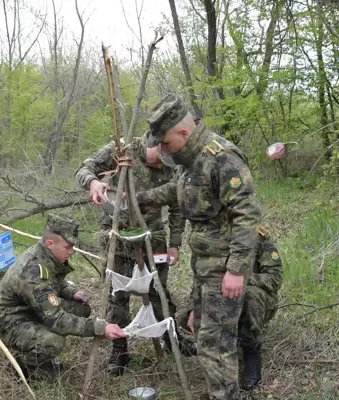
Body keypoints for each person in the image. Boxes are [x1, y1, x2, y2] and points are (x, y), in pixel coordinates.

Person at [137, 95, 264, 400]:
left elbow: (247, 215)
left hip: (223, 268)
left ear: (183, 133)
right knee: (202, 330)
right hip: (204, 266)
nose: (162, 150)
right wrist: (140, 198)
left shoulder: (222, 157)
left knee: (215, 343)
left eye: (165, 143)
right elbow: (177, 190)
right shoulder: (189, 160)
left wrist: (236, 270)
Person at [75, 135, 192, 375]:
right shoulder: (122, 149)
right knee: (117, 295)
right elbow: (84, 169)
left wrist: (175, 243)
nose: (163, 167)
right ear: (156, 144)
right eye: (161, 160)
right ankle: (120, 350)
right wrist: (93, 183)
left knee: (158, 291)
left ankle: (172, 340)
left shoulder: (173, 160)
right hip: (118, 235)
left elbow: (177, 204)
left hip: (153, 237)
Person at [0, 214, 126, 378]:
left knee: (81, 309)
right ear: (50, 243)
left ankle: (37, 344)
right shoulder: (32, 270)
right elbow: (56, 319)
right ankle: (24, 366)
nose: (72, 252)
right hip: (10, 319)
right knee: (53, 342)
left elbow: (52, 283)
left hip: (31, 307)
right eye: (67, 247)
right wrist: (100, 328)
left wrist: (71, 292)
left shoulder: (46, 256)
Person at [178, 232, 283, 391]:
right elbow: (199, 278)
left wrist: (241, 280)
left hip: (251, 297)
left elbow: (274, 278)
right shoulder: (211, 237)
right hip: (219, 295)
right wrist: (195, 307)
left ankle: (251, 352)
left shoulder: (257, 236)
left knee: (250, 299)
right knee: (186, 315)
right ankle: (212, 345)